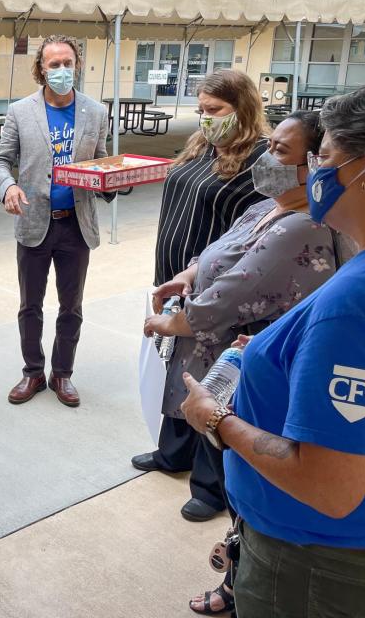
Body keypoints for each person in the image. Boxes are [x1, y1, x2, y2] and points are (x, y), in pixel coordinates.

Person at [180, 80, 365, 617]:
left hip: (314, 553)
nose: (315, 170)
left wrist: (215, 418)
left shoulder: (362, 303)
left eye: (324, 156)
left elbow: (328, 485)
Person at [145, 111, 339, 616]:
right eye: (270, 144)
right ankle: (237, 579)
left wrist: (171, 322)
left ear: (314, 166)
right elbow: (220, 253)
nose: (267, 158)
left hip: (247, 379)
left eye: (280, 151)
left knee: (245, 490)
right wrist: (186, 276)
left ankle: (239, 588)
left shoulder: (303, 229)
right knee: (235, 481)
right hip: (218, 367)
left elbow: (232, 295)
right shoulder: (267, 208)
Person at [132, 69, 269, 522]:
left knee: (211, 383)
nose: (206, 120)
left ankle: (211, 487)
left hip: (216, 289)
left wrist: (203, 274)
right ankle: (173, 453)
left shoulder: (261, 160)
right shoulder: (202, 146)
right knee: (175, 371)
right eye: (201, 111)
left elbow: (252, 234)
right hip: (174, 278)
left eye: (216, 111)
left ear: (243, 108)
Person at [0, 34, 112, 407]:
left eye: (67, 63)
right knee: (30, 305)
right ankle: (32, 373)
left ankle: (62, 374)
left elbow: (103, 161)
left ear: (77, 65)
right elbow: (0, 161)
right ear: (41, 69)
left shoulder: (96, 112)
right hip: (34, 222)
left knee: (71, 306)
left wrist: (113, 182)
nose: (61, 70)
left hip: (76, 223)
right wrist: (8, 187)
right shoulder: (20, 111)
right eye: (53, 64)